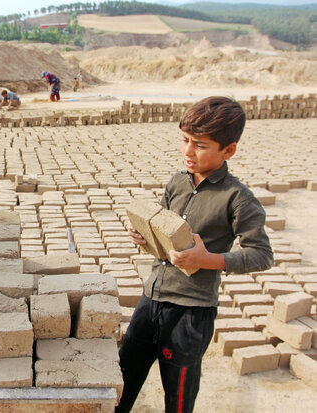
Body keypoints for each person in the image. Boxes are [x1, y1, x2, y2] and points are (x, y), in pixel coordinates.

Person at [117, 96, 273, 413]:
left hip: (190, 314)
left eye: (200, 145)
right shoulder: (177, 183)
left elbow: (261, 254)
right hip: (152, 298)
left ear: (228, 150)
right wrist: (144, 238)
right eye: (186, 141)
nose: (188, 151)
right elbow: (167, 238)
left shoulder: (237, 197)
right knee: (122, 380)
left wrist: (208, 260)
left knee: (178, 397)